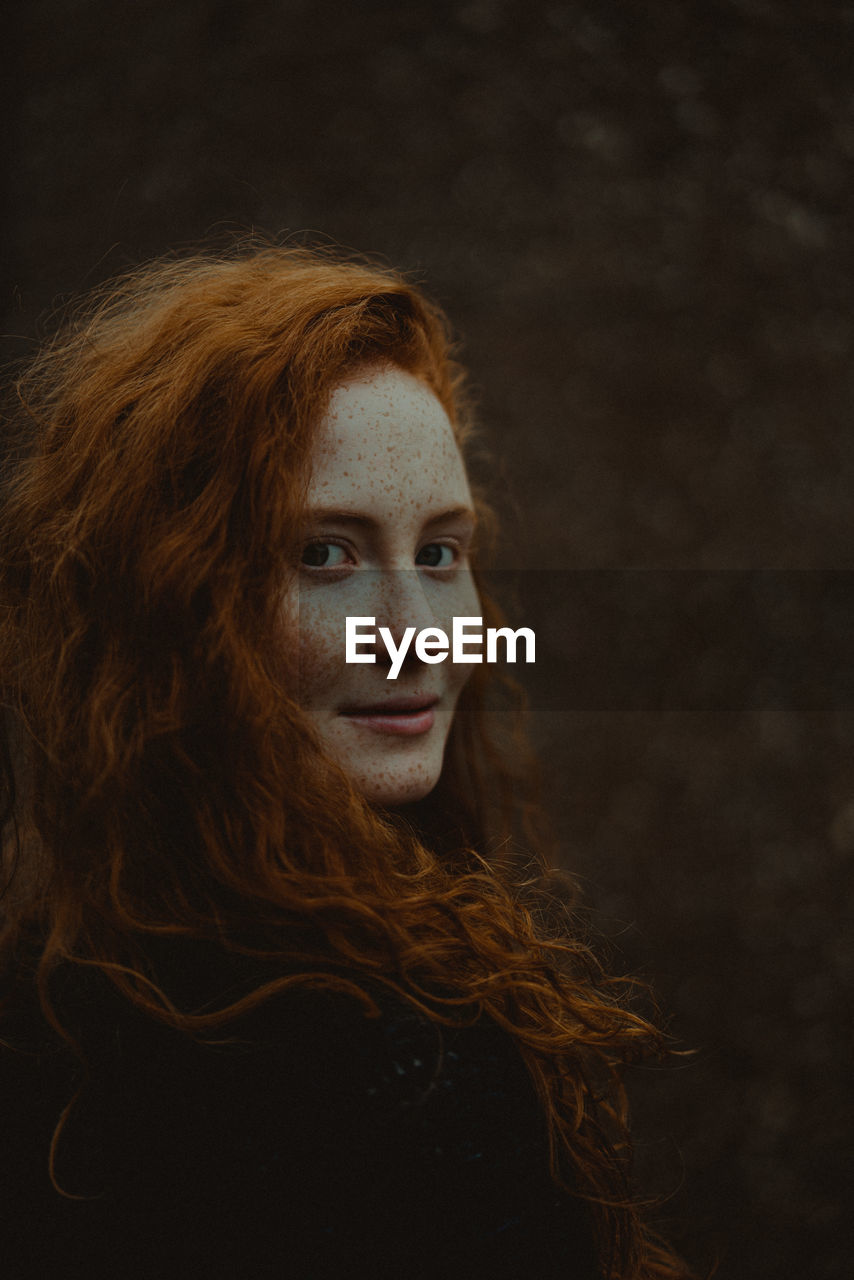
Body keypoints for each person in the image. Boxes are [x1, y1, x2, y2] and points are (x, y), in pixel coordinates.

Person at [0, 244, 694, 1278]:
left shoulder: (61, 960)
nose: (416, 632)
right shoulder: (384, 1057)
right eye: (323, 551)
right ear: (170, 597)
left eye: (437, 552)